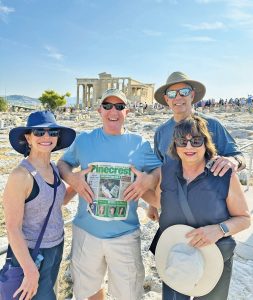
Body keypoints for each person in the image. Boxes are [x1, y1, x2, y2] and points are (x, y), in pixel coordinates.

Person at [57, 88, 161, 300]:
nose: (113, 111)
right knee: (89, 292)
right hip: (86, 232)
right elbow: (63, 164)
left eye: (119, 106)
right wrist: (73, 179)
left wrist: (148, 181)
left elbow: (158, 170)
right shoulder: (84, 140)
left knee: (128, 294)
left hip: (125, 235)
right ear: (99, 110)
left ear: (127, 112)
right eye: (107, 106)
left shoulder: (139, 144)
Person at [146, 115, 250, 300]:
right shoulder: (166, 170)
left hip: (214, 257)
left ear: (205, 143)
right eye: (181, 141)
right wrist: (134, 190)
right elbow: (162, 202)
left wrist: (219, 229)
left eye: (196, 140)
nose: (188, 147)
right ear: (174, 145)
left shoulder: (223, 174)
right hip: (175, 254)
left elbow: (244, 219)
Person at [148, 71, 246, 221]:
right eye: (173, 94)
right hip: (173, 214)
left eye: (184, 92)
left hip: (210, 215)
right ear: (167, 99)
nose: (178, 97)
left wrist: (234, 161)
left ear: (192, 95)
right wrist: (152, 205)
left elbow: (240, 157)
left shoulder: (212, 125)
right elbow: (157, 169)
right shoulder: (161, 132)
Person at [3, 110, 76, 300]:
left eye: (52, 132)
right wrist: (30, 270)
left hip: (55, 247)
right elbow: (12, 228)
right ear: (28, 137)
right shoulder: (21, 175)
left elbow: (58, 201)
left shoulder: (53, 168)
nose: (46, 137)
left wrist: (81, 182)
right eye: (39, 132)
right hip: (31, 255)